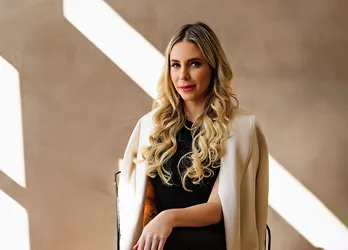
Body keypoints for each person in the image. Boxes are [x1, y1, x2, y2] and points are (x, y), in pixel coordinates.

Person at [119, 22, 269, 250]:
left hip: (211, 241)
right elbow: (140, 204)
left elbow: (219, 208)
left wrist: (169, 218)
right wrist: (155, 224)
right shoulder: (150, 126)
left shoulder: (240, 129)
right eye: (175, 65)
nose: (183, 76)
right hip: (159, 237)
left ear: (213, 67)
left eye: (194, 64)